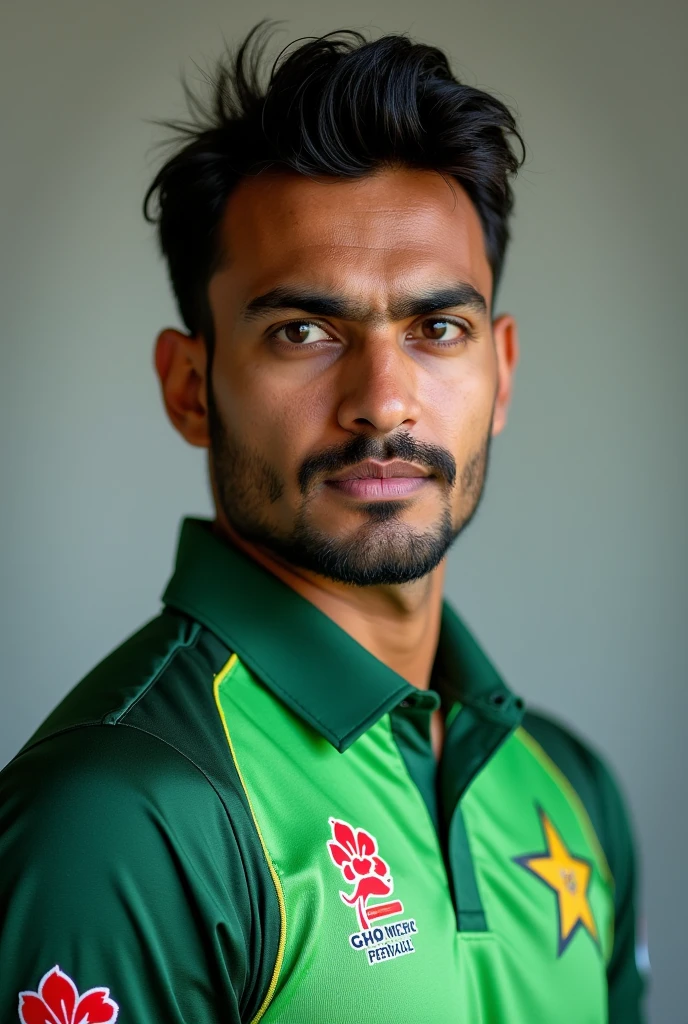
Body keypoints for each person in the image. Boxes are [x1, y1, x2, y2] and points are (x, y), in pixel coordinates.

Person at [0, 22, 646, 1024]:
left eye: (437, 329)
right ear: (190, 386)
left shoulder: (572, 787)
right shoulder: (124, 814)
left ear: (501, 371)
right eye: (303, 331)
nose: (383, 400)